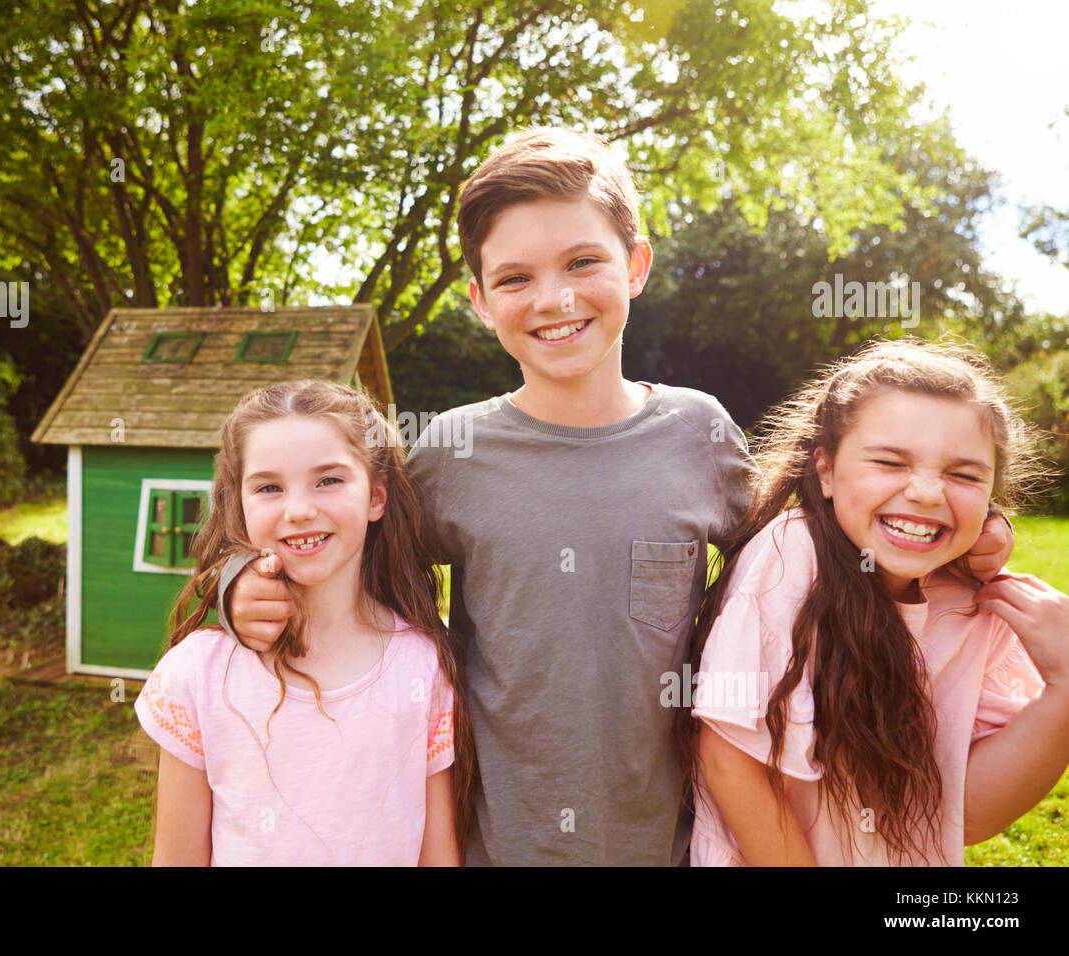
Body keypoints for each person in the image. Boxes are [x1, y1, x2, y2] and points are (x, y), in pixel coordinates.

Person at [217, 127, 1015, 865]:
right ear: (480, 300)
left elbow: (818, 545)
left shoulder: (699, 433)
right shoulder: (452, 451)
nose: (555, 299)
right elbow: (341, 552)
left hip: (667, 839)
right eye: (516, 278)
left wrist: (971, 535)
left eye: (582, 263)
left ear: (635, 265)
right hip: (493, 839)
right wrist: (241, 581)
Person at [680, 338, 1069, 866]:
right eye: (890, 461)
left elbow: (966, 812)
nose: (929, 492)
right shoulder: (795, 551)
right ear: (825, 471)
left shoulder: (972, 600)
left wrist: (1064, 686)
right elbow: (727, 757)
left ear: (992, 494)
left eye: (963, 474)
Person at [134, 380, 473, 866]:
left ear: (376, 498)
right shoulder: (198, 673)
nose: (299, 510)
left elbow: (437, 857)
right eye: (269, 487)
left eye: (329, 480)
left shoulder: (422, 666)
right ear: (241, 504)